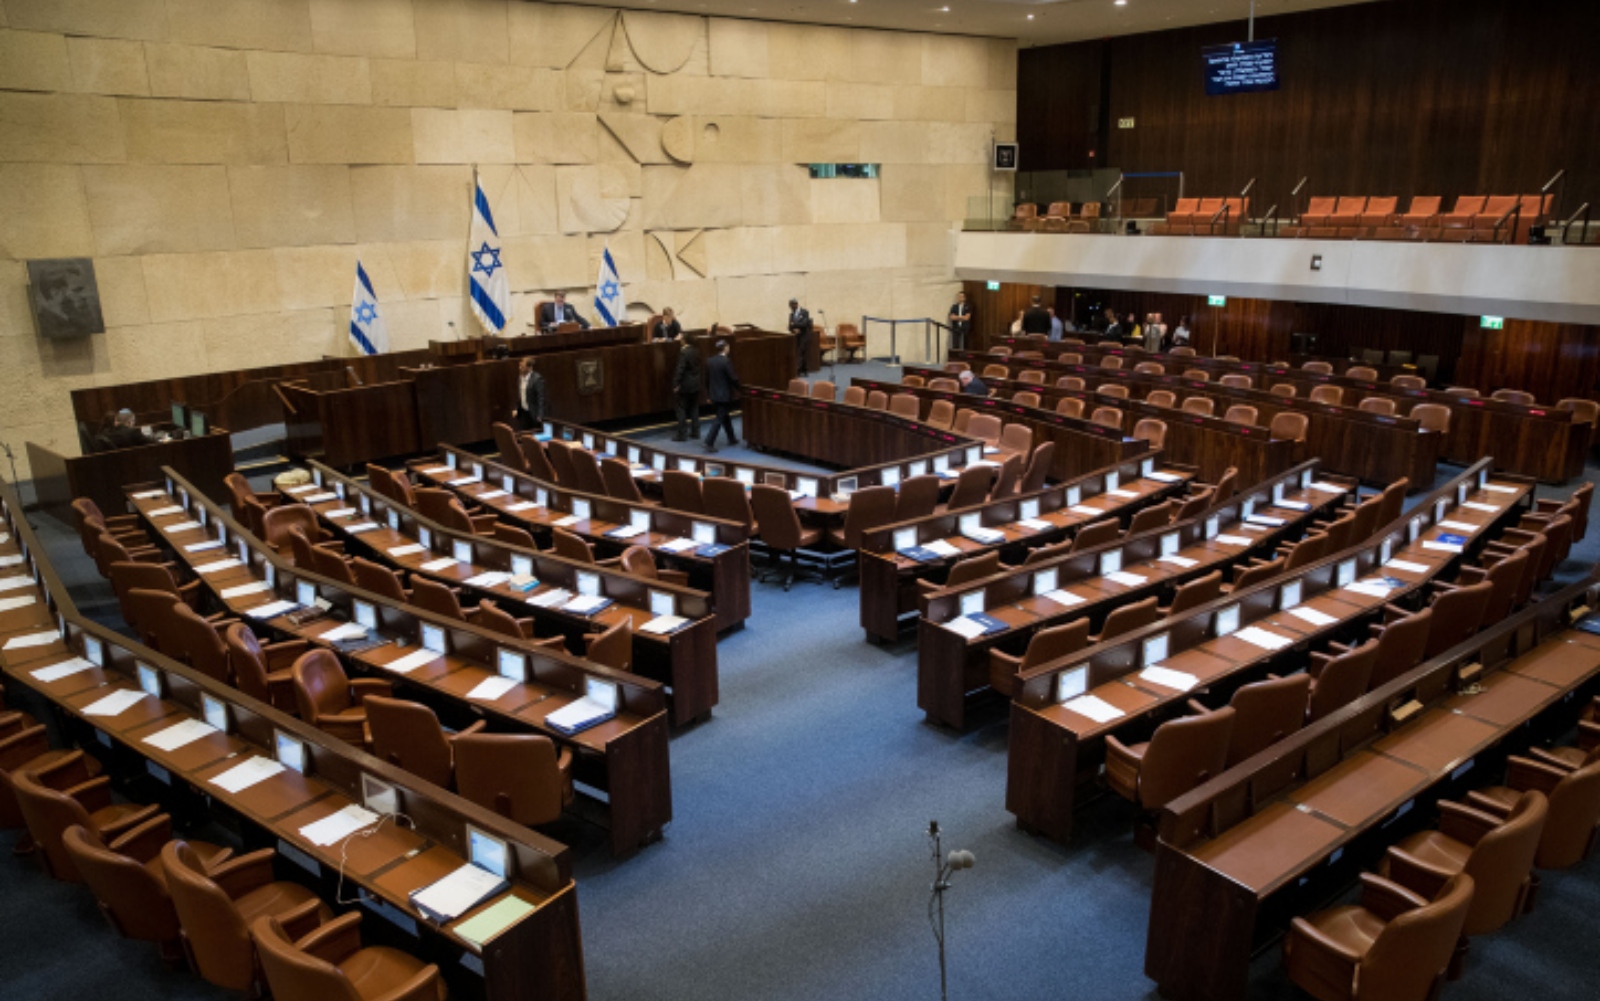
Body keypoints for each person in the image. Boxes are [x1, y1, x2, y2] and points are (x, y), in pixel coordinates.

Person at [704, 340, 741, 452]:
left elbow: (707, 380)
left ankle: (731, 438)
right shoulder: (726, 362)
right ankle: (709, 442)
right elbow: (733, 378)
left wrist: (709, 394)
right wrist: (741, 389)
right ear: (725, 348)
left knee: (725, 416)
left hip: (714, 394)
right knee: (720, 418)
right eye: (728, 346)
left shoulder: (709, 361)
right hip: (723, 395)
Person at [672, 333, 702, 442]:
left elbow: (680, 369)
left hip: (686, 384)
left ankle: (682, 434)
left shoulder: (684, 352)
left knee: (681, 408)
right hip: (696, 383)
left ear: (684, 341)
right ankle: (695, 431)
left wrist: (676, 384)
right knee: (694, 408)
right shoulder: (696, 350)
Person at [513, 357, 546, 431]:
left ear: (529, 368)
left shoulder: (537, 379)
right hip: (524, 413)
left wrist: (540, 414)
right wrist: (516, 409)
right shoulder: (520, 378)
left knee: (535, 437)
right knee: (524, 435)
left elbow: (541, 398)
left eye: (522, 367)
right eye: (519, 366)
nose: (520, 368)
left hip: (534, 413)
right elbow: (520, 395)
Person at [787, 298, 812, 376]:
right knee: (799, 352)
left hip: (804, 335)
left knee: (801, 352)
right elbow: (789, 327)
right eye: (790, 306)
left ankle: (799, 370)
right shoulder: (791, 315)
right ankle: (803, 370)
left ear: (796, 304)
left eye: (792, 305)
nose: (791, 307)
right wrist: (794, 330)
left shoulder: (804, 312)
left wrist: (795, 326)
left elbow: (804, 323)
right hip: (796, 336)